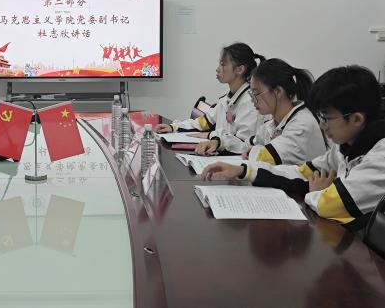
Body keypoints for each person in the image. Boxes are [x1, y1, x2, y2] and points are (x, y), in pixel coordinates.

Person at [201, 65, 385, 231]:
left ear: (356, 119)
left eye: (326, 118)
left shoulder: (380, 158)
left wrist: (316, 192)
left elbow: (327, 205)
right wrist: (244, 171)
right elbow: (302, 172)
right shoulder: (345, 146)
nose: (321, 125)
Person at [155, 42, 265, 154]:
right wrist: (174, 127)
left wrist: (212, 136)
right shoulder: (225, 100)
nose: (217, 69)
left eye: (223, 65)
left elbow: (243, 144)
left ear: (240, 69)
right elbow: (203, 123)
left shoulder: (251, 102)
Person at [243, 58, 325, 165]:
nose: (252, 100)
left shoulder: (302, 124)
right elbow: (248, 145)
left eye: (256, 93)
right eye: (251, 94)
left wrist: (254, 150)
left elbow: (265, 157)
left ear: (278, 91)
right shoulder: (272, 125)